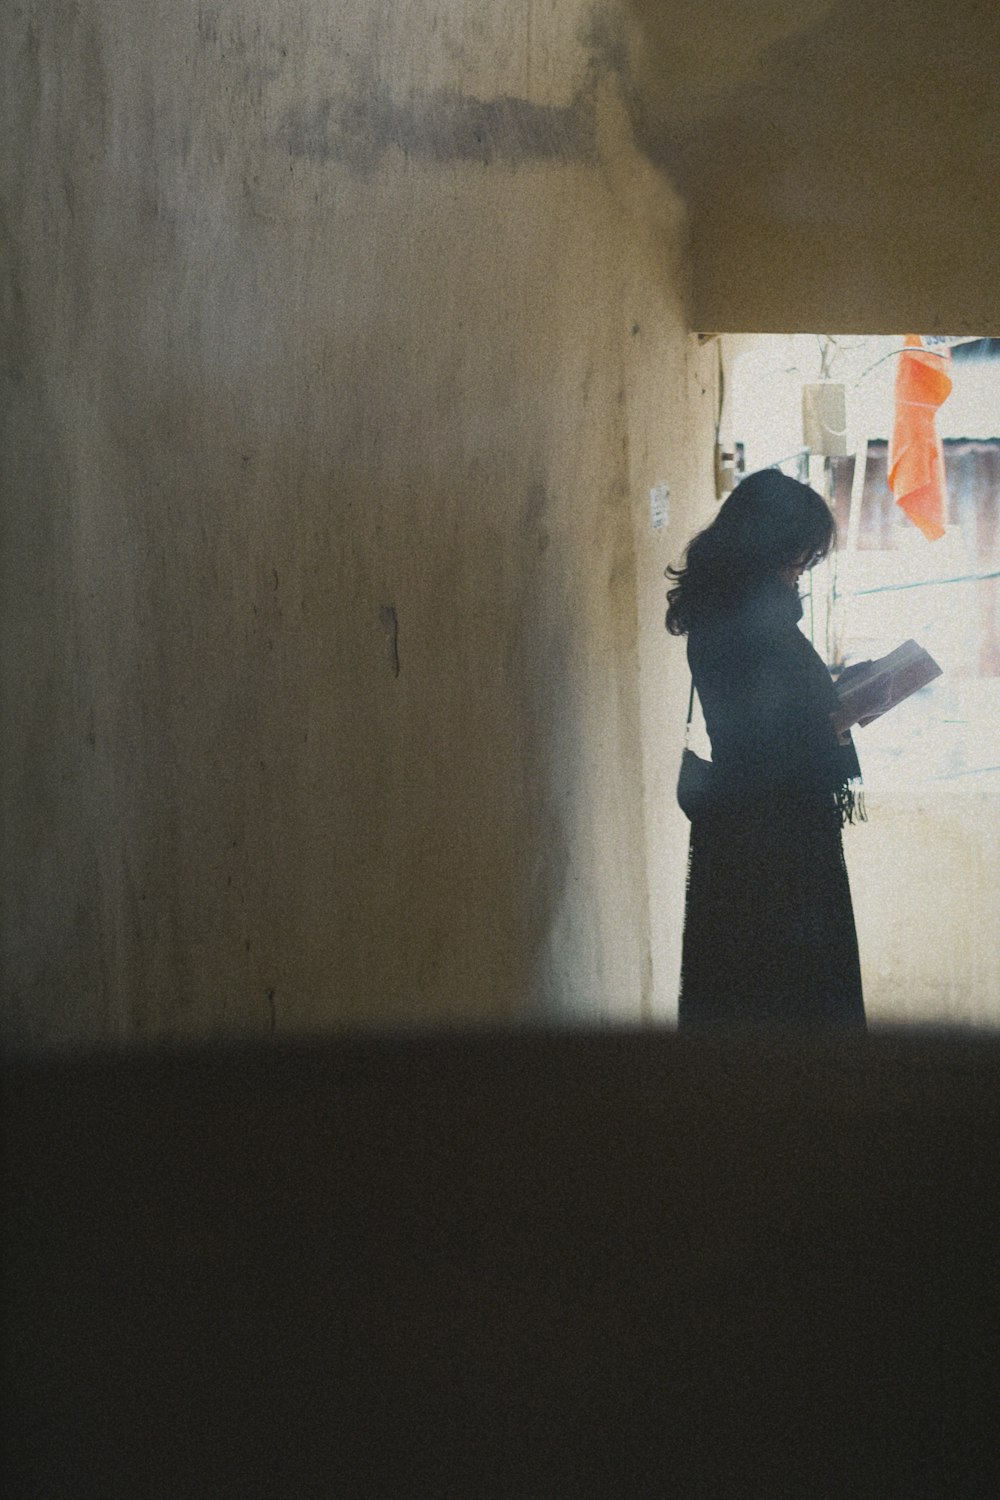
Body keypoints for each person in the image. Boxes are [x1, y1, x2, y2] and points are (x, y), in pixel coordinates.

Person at [666, 469, 866, 1029]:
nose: (803, 567)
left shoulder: (729, 612)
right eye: (799, 552)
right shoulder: (753, 621)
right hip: (772, 843)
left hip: (746, 829)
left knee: (747, 997)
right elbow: (772, 739)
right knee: (789, 1001)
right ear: (771, 547)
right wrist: (838, 717)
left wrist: (832, 700)